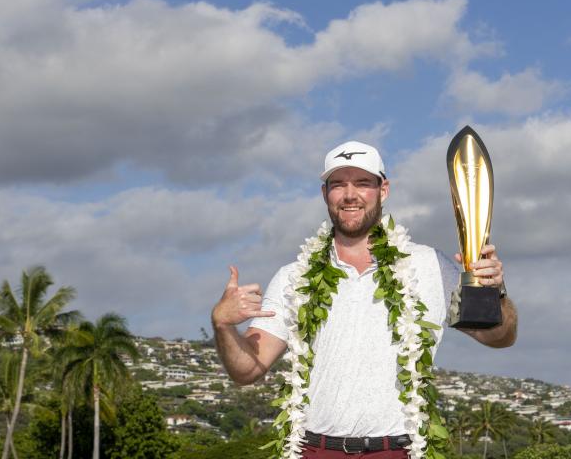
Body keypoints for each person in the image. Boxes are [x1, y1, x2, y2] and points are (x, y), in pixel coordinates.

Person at [211, 140, 517, 458]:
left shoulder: (430, 265)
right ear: (324, 193)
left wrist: (495, 292)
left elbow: (499, 336)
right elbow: (246, 370)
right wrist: (222, 324)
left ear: (383, 190)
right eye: (338, 184)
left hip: (398, 450)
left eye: (362, 183)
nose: (349, 195)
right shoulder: (293, 277)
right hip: (314, 450)